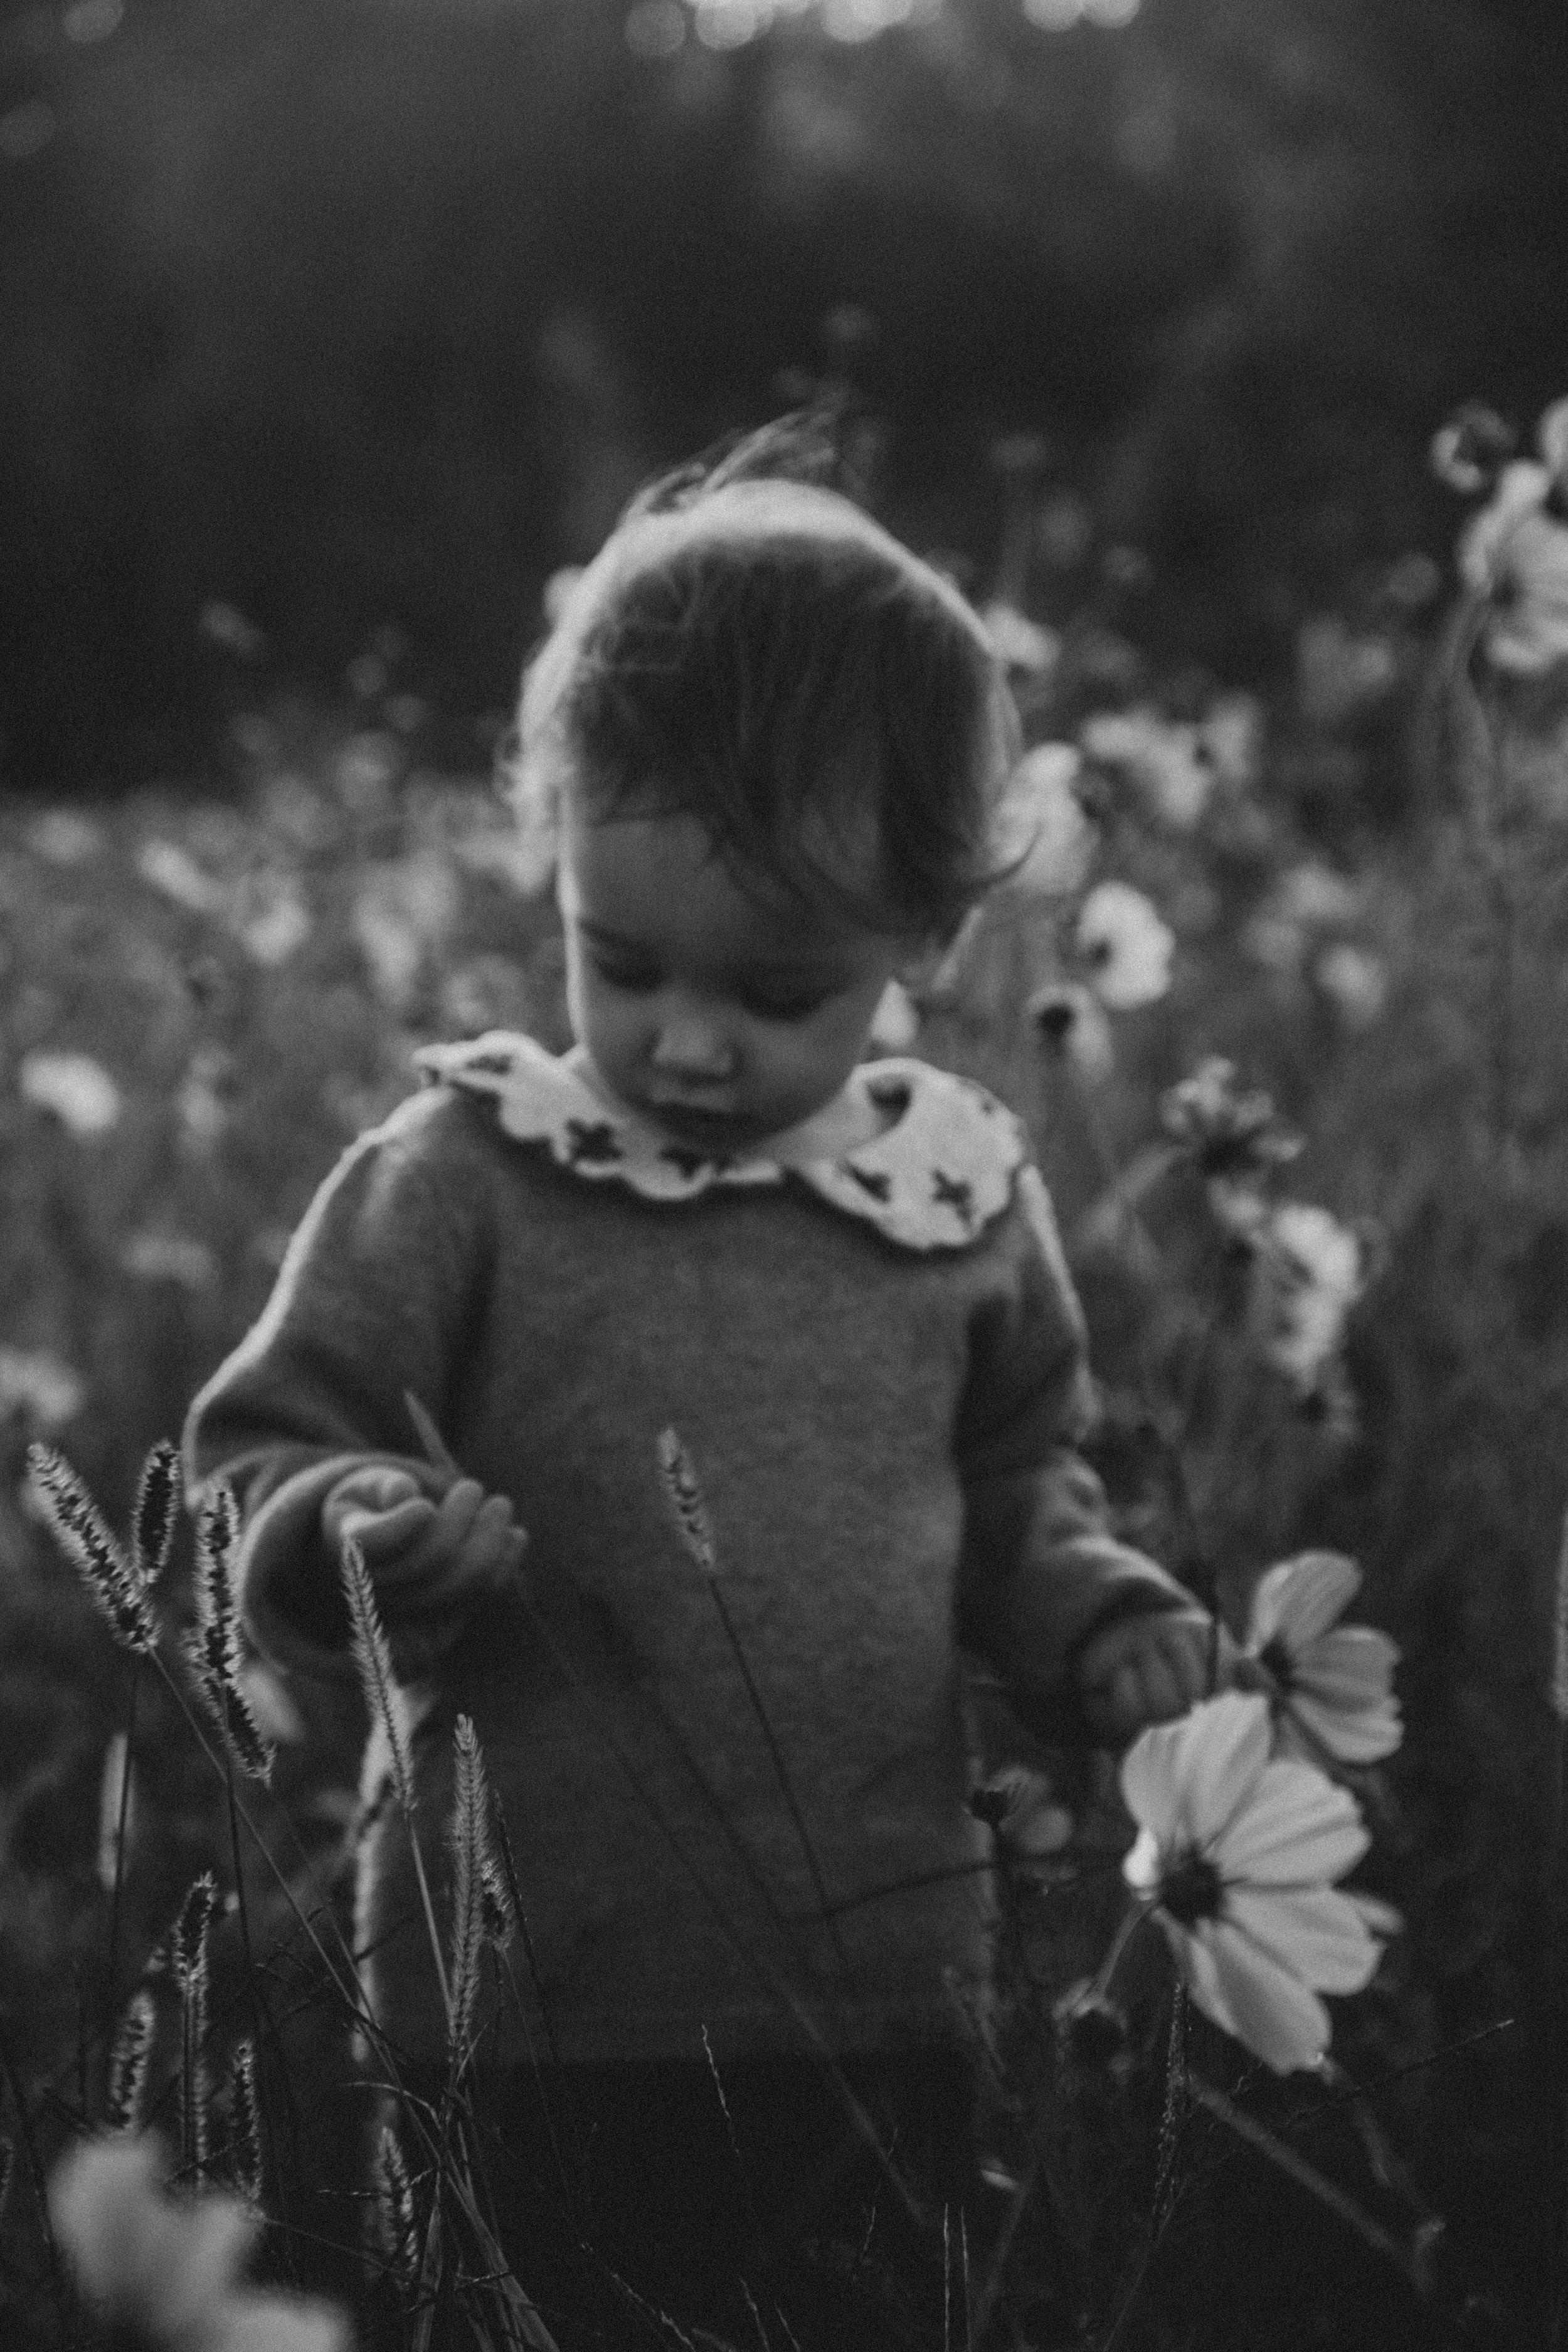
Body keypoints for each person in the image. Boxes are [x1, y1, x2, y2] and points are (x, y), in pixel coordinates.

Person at [184, 421, 1226, 2349]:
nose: (682, 1044)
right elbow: (262, 1445)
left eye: (776, 995)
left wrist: (1095, 1626)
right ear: (553, 858)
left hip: (882, 1986)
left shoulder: (955, 1201)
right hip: (521, 1987)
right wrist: (349, 1533)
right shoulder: (468, 1170)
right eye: (623, 961)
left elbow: (1021, 1492)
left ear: (921, 939)